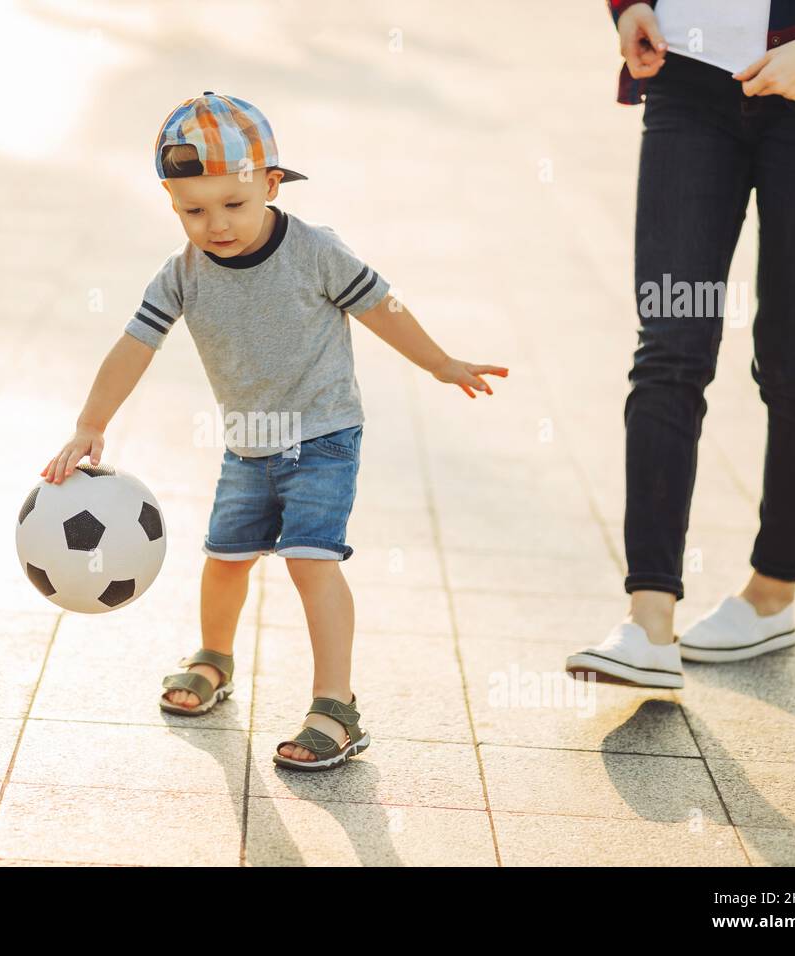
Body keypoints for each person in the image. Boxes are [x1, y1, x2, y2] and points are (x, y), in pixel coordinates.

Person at [41, 92, 507, 769]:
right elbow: (134, 344)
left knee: (309, 559)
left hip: (323, 435)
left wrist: (439, 363)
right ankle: (214, 659)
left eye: (232, 204)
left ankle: (335, 706)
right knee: (225, 558)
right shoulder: (182, 274)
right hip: (247, 443)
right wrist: (91, 423)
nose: (215, 225)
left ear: (271, 183)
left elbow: (382, 306)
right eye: (192, 210)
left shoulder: (315, 252)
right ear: (172, 203)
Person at [567, 1, 795, 688]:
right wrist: (629, 8)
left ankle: (772, 592)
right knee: (669, 345)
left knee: (792, 354)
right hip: (689, 79)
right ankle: (649, 619)